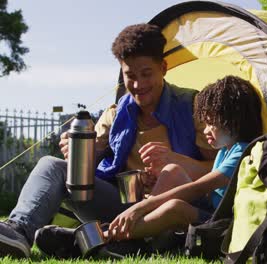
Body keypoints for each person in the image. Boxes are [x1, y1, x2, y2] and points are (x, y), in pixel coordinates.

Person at [0, 23, 216, 258]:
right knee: (52, 166)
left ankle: (95, 240)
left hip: (172, 209)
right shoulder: (115, 113)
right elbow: (90, 163)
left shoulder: (192, 107)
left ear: (163, 68)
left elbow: (220, 172)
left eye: (146, 74)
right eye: (130, 76)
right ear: (121, 73)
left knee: (171, 179)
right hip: (124, 205)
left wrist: (175, 161)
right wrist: (77, 155)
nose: (138, 85)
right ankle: (18, 231)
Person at [106, 75, 263, 242]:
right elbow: (211, 194)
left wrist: (141, 206)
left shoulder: (242, 152)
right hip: (211, 209)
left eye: (212, 123)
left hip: (222, 223)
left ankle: (112, 237)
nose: (206, 130)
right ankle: (139, 228)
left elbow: (198, 188)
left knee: (175, 208)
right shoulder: (225, 151)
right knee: (171, 170)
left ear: (233, 121)